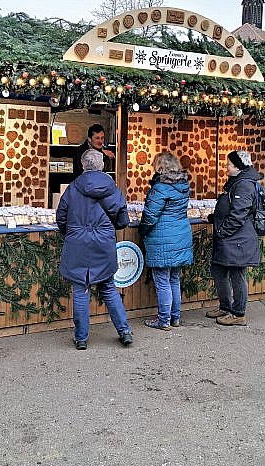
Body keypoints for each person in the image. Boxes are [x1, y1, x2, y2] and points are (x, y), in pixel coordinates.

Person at [56, 149, 132, 350]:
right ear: (102, 166)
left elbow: (61, 218)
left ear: (83, 166)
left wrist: (71, 234)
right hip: (103, 243)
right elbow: (123, 219)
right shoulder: (112, 189)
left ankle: (81, 338)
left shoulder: (72, 189)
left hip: (77, 244)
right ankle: (124, 331)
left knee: (81, 289)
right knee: (108, 288)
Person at [205, 150, 262, 326]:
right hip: (231, 238)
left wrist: (222, 231)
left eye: (229, 164)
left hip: (237, 239)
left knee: (237, 275)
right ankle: (225, 306)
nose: (226, 167)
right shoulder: (237, 182)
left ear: (238, 166)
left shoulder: (244, 185)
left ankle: (238, 314)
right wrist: (216, 218)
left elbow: (238, 214)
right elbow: (230, 207)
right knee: (218, 271)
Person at [139, 152, 193, 330]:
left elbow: (150, 216)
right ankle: (175, 318)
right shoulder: (184, 185)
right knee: (174, 279)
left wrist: (143, 231)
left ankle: (163, 320)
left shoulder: (160, 187)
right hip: (180, 235)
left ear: (160, 167)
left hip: (163, 237)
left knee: (162, 280)